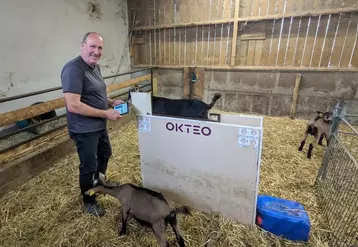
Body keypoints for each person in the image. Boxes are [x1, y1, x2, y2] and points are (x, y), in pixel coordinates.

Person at [61, 32, 123, 217]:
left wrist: (110, 102)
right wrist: (105, 112)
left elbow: (96, 93)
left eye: (100, 48)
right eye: (92, 46)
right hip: (84, 129)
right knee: (88, 165)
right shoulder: (73, 69)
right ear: (82, 46)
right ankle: (89, 199)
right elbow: (73, 105)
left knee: (105, 153)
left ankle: (99, 183)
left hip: (98, 125)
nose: (96, 51)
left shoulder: (94, 67)